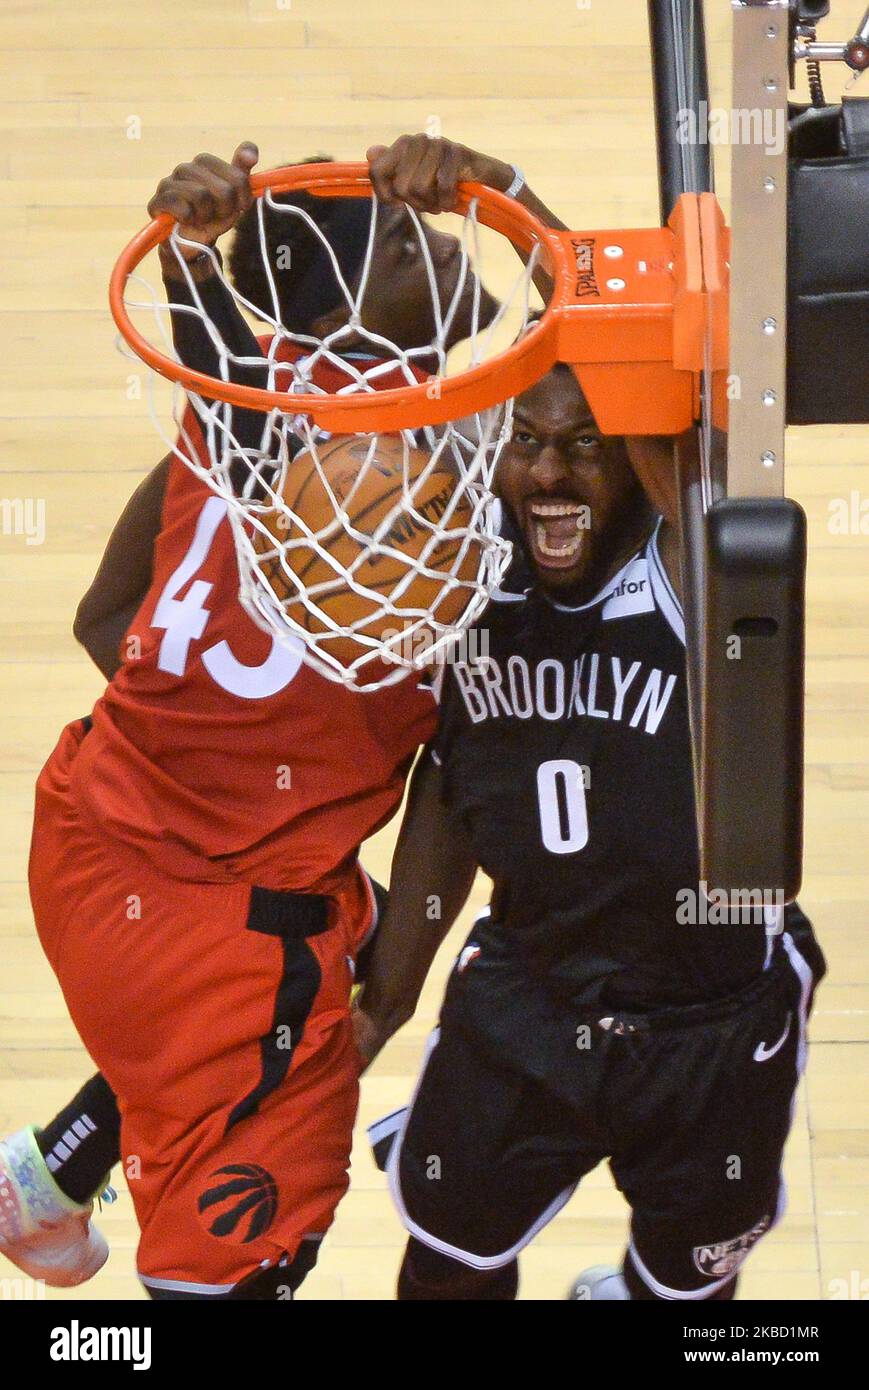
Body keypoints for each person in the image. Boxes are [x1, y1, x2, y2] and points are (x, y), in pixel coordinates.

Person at [0, 134, 558, 1300]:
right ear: (338, 298)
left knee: (289, 953)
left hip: (86, 832)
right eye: (409, 240)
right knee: (240, 1258)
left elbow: (108, 619)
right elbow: (455, 781)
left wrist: (229, 762)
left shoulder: (228, 414)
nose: (448, 242)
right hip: (202, 924)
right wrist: (385, 992)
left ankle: (48, 1180)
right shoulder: (434, 482)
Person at [350, 323, 825, 1297]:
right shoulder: (467, 575)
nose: (549, 471)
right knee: (442, 1272)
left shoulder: (684, 561)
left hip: (709, 1019)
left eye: (584, 444)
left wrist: (549, 250)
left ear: (630, 453)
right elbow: (450, 784)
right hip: (532, 991)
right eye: (525, 441)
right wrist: (384, 1001)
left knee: (684, 1295)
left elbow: (689, 443)